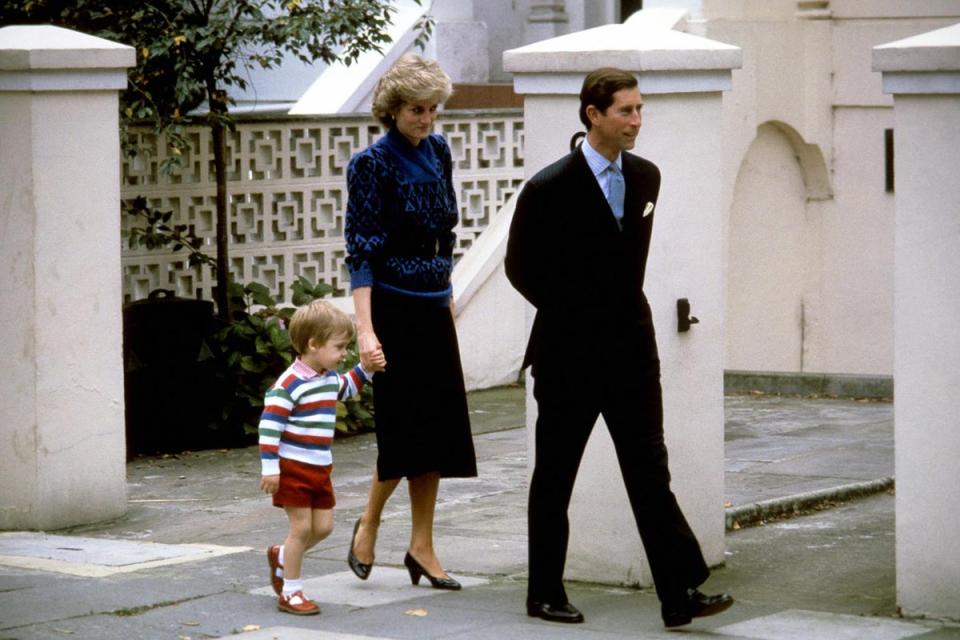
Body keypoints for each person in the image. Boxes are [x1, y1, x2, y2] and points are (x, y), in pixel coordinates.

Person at [504, 67, 734, 629]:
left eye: (639, 109)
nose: (636, 121)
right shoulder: (547, 187)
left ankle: (679, 594)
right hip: (568, 354)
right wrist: (572, 311)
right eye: (625, 111)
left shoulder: (647, 177)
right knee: (556, 475)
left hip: (632, 348)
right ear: (593, 116)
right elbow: (518, 267)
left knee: (649, 472)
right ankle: (543, 592)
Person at [343, 54, 478, 591]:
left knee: (440, 432)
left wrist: (447, 296)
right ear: (393, 110)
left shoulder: (440, 150)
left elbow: (444, 236)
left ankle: (422, 546)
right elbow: (361, 252)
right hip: (393, 309)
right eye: (417, 110)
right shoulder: (371, 165)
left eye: (433, 110)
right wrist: (365, 330)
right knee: (403, 432)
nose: (427, 120)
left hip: (433, 302)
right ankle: (369, 523)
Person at [259, 300, 384, 615]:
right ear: (313, 345)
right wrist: (271, 469)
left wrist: (366, 368)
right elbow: (268, 429)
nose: (344, 353)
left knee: (324, 527)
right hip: (293, 468)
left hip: (319, 468)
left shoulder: (327, 376)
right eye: (339, 347)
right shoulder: (289, 385)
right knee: (301, 529)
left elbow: (345, 387)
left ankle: (284, 556)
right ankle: (291, 591)